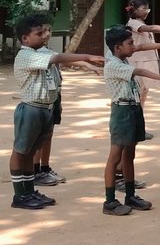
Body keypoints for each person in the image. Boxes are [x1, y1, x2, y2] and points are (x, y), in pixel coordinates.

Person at [8, 15, 105, 210]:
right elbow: (59, 57)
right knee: (21, 151)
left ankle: (29, 190)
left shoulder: (40, 52)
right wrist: (86, 57)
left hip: (44, 108)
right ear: (25, 38)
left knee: (30, 152)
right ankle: (20, 195)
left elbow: (59, 59)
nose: (45, 35)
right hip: (31, 109)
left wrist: (85, 64)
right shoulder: (26, 55)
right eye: (39, 33)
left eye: (45, 32)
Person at [101, 27, 160, 216]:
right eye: (130, 43)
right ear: (117, 47)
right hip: (122, 111)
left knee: (130, 155)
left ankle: (130, 195)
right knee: (115, 156)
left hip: (133, 108)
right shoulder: (113, 63)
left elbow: (141, 47)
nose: (134, 46)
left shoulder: (121, 56)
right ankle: (110, 201)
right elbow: (140, 70)